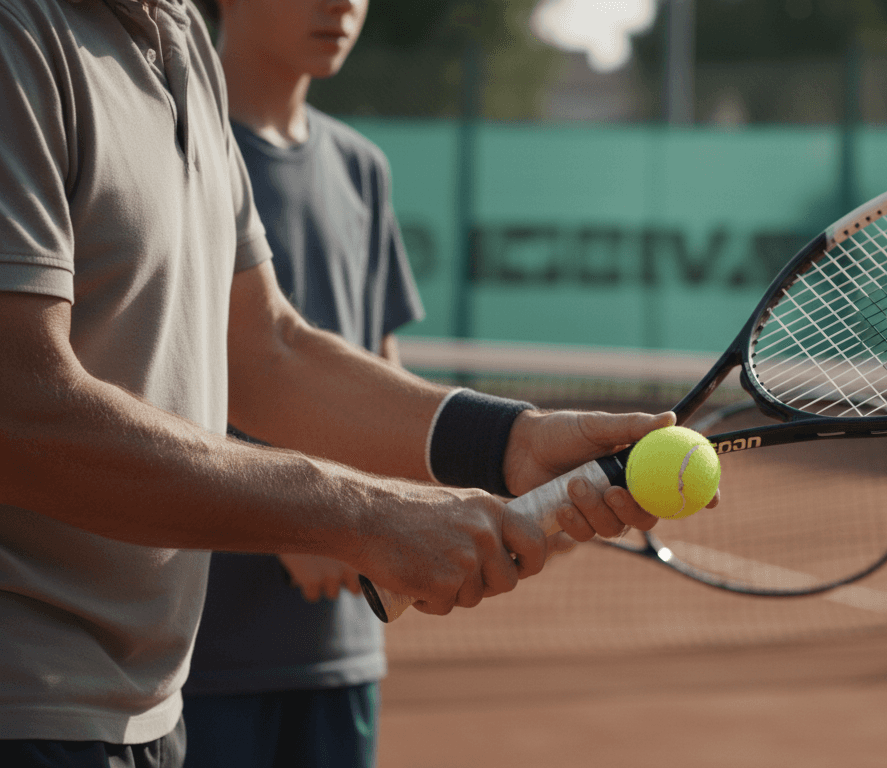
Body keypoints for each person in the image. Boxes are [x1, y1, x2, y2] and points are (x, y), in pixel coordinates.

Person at [0, 1, 667, 765]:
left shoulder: (180, 38)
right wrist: (362, 516)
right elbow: (22, 415)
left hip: (147, 710)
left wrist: (510, 442)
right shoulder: (18, 35)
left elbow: (266, 348)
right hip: (24, 708)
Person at [178, 0, 418, 764]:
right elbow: (137, 384)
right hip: (189, 662)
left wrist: (519, 478)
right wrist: (297, 521)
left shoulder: (362, 169)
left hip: (338, 658)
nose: (342, 3)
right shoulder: (170, 148)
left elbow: (384, 390)